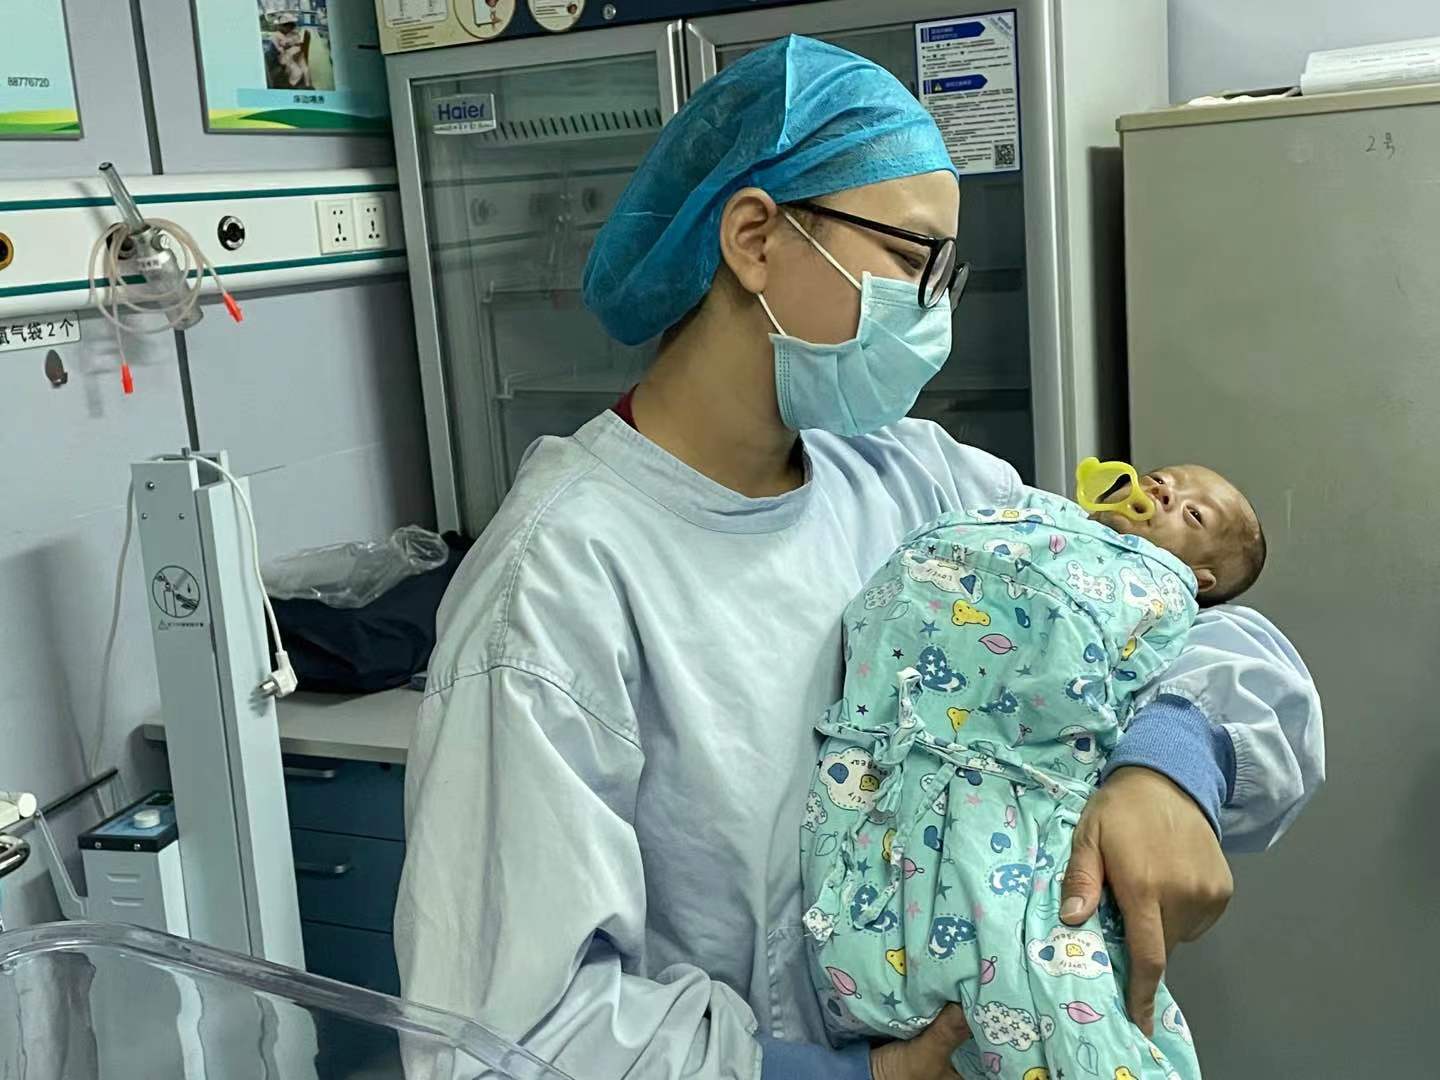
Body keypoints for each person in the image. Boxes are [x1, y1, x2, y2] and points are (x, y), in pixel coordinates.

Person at [394, 37, 1323, 1080]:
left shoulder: (911, 479)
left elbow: (1185, 623)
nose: (936, 308)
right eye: (911, 258)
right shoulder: (557, 585)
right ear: (755, 236)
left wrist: (1172, 763)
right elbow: (503, 1037)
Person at [801, 463, 1265, 1079]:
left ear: (1200, 579)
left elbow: (1244, 669)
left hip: (1019, 800)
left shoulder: (1162, 596)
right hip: (885, 761)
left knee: (1044, 983)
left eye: (1192, 513)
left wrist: (1169, 760)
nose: (1163, 493)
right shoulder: (1030, 516)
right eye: (1162, 479)